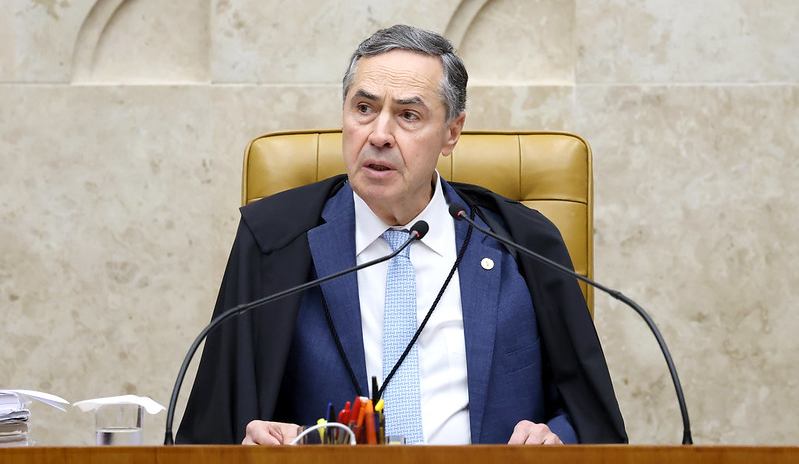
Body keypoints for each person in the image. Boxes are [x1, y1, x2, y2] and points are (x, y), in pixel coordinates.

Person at [177, 25, 627, 445]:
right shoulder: (274, 240)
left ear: (451, 133)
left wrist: (555, 439)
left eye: (408, 115)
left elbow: (589, 419)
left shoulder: (524, 244)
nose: (379, 135)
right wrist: (255, 443)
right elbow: (218, 426)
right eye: (364, 108)